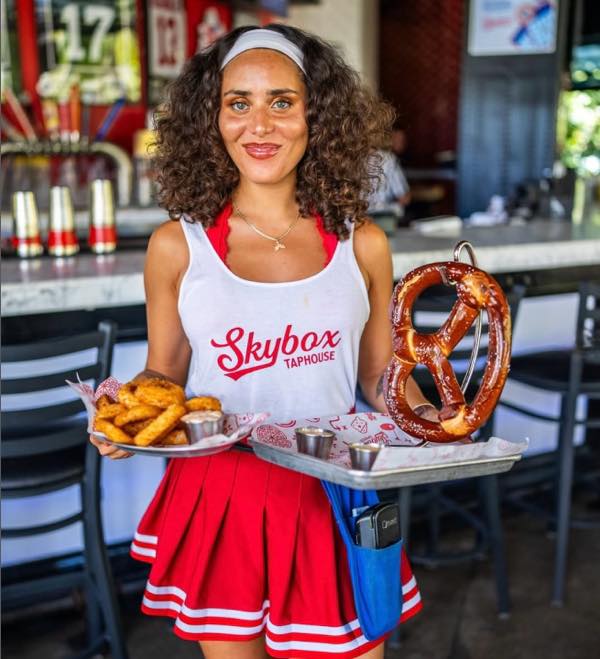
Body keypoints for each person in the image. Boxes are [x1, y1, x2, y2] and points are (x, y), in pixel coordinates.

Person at [90, 24, 437, 659]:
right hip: (220, 496)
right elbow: (164, 372)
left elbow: (379, 374)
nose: (260, 125)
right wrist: (125, 416)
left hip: (331, 492)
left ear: (316, 115)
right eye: (238, 103)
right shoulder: (177, 246)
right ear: (212, 120)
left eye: (282, 101)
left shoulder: (363, 243)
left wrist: (435, 421)